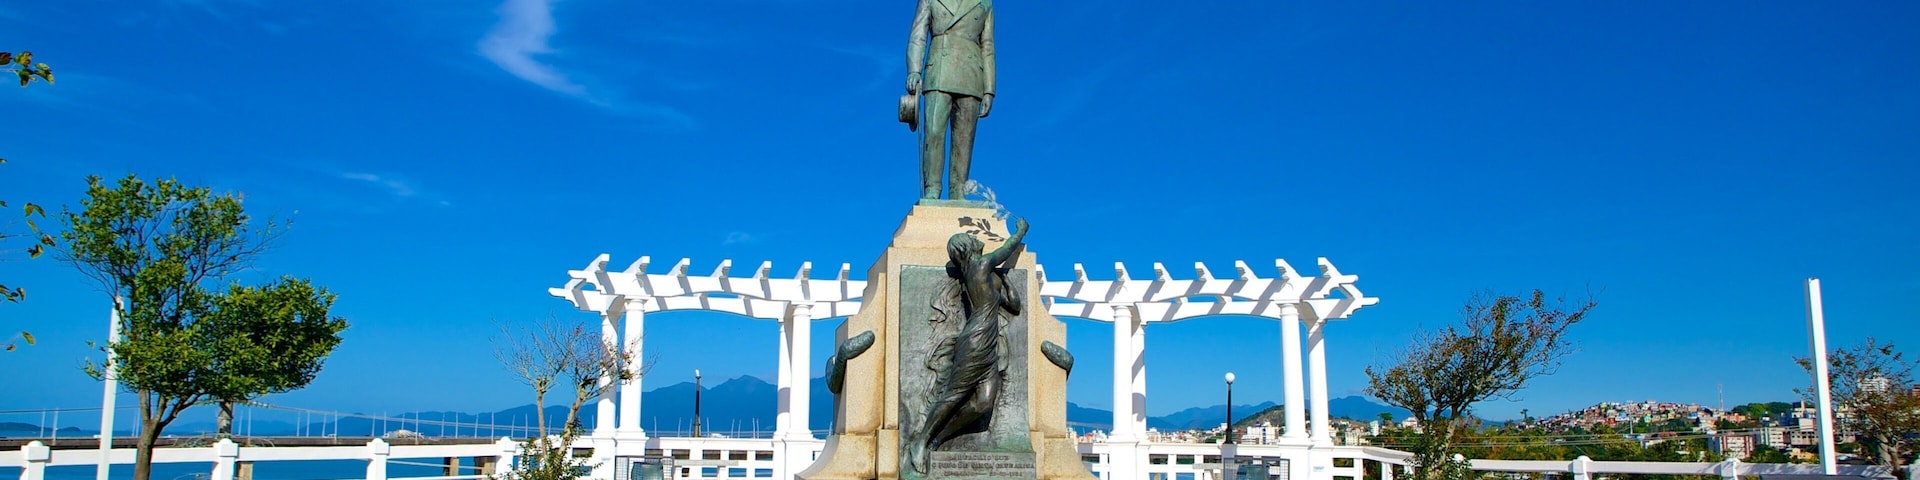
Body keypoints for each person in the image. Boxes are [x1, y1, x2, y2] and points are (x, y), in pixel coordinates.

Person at [910, 217, 1026, 474]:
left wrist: (1006, 281)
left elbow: (1014, 306)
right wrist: (1020, 232)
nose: (976, 238)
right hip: (975, 339)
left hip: (990, 345)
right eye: (971, 239)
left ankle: (939, 439)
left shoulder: (985, 277)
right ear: (966, 248)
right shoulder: (980, 265)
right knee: (953, 395)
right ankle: (920, 442)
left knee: (984, 404)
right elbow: (1006, 251)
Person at [906, 0, 995, 200]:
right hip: (939, 69)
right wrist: (914, 70)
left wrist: (989, 89)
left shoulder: (984, 3)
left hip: (971, 75)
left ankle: (958, 192)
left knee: (964, 139)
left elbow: (988, 47)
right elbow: (918, 37)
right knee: (934, 132)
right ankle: (932, 189)